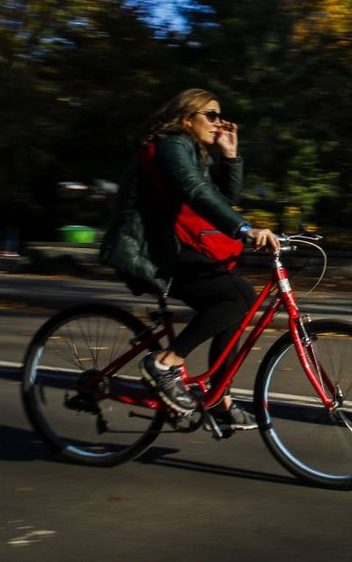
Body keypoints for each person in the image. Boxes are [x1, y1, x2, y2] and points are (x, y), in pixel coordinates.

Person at [99, 88, 279, 434]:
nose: (219, 122)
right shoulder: (171, 145)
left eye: (220, 116)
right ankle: (165, 363)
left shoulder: (192, 152)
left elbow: (220, 199)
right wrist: (244, 229)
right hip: (150, 250)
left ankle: (219, 399)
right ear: (186, 119)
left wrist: (230, 156)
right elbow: (195, 193)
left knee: (236, 300)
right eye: (211, 115)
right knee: (236, 297)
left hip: (172, 246)